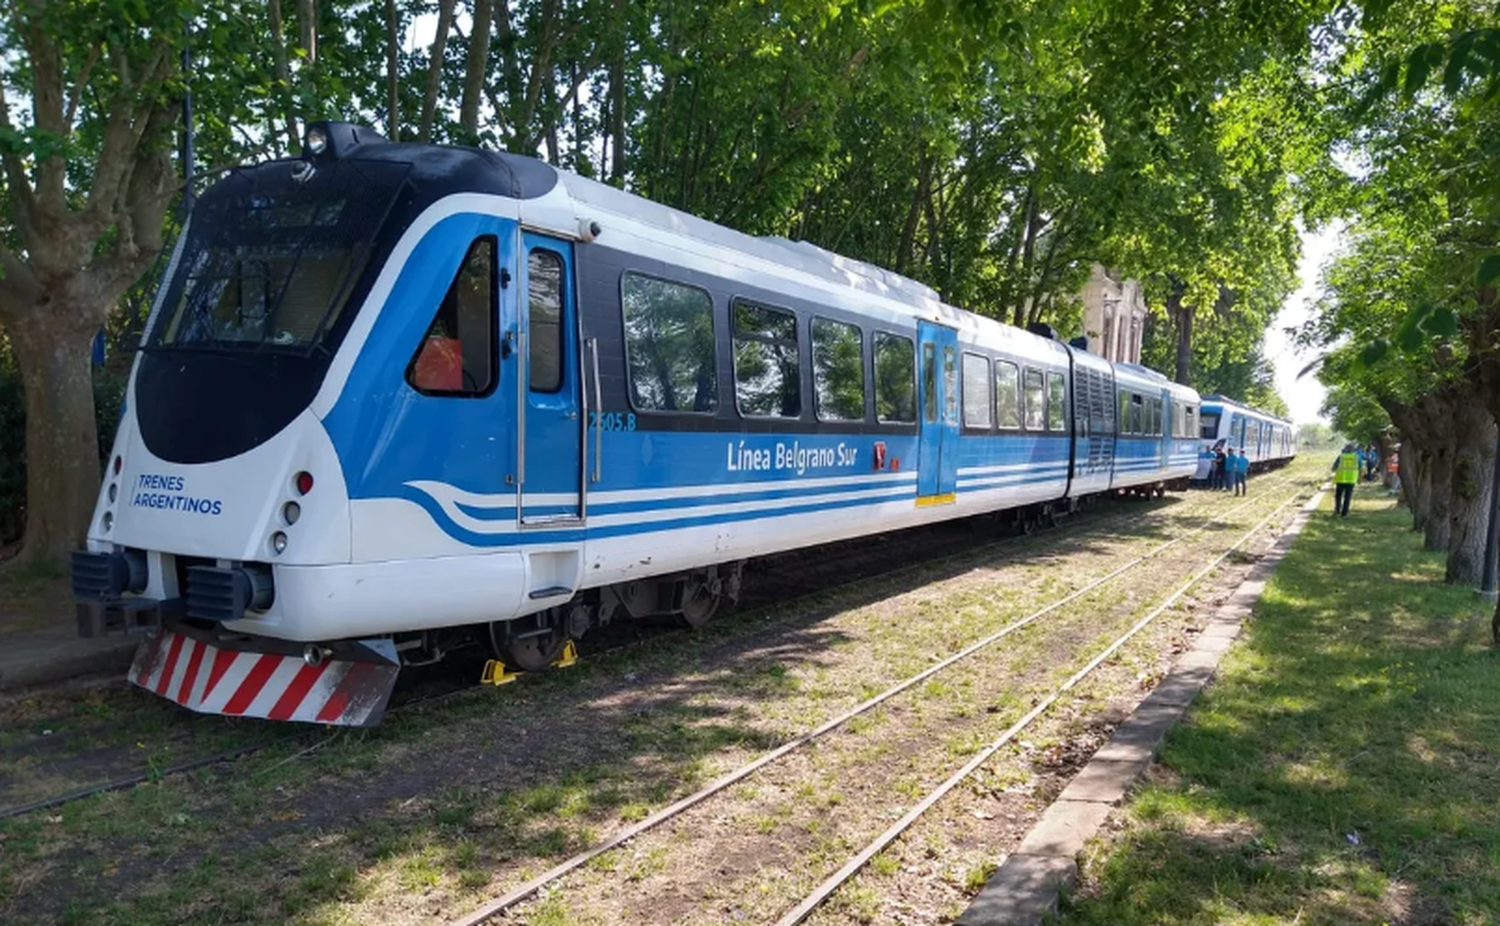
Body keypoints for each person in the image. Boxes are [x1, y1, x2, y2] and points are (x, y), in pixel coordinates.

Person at [1332, 441, 1360, 516]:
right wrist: (1360, 479)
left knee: (1338, 496)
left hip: (1341, 479)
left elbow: (1334, 468)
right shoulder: (1356, 457)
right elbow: (1361, 468)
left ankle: (1337, 509)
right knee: (1348, 497)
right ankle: (1344, 513)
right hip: (1351, 480)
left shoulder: (1341, 456)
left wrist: (1335, 470)